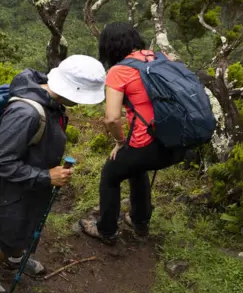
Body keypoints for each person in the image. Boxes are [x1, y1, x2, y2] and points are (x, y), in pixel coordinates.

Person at [0, 55, 106, 293]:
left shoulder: (51, 101)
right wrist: (45, 175)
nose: (82, 104)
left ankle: (14, 257)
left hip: (30, 183)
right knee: (10, 235)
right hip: (14, 186)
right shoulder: (26, 113)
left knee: (26, 225)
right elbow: (2, 161)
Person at [78, 22, 183, 244]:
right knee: (136, 168)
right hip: (179, 142)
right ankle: (139, 222)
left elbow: (112, 118)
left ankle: (106, 231)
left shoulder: (119, 71)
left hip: (150, 146)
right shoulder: (161, 58)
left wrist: (119, 142)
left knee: (110, 174)